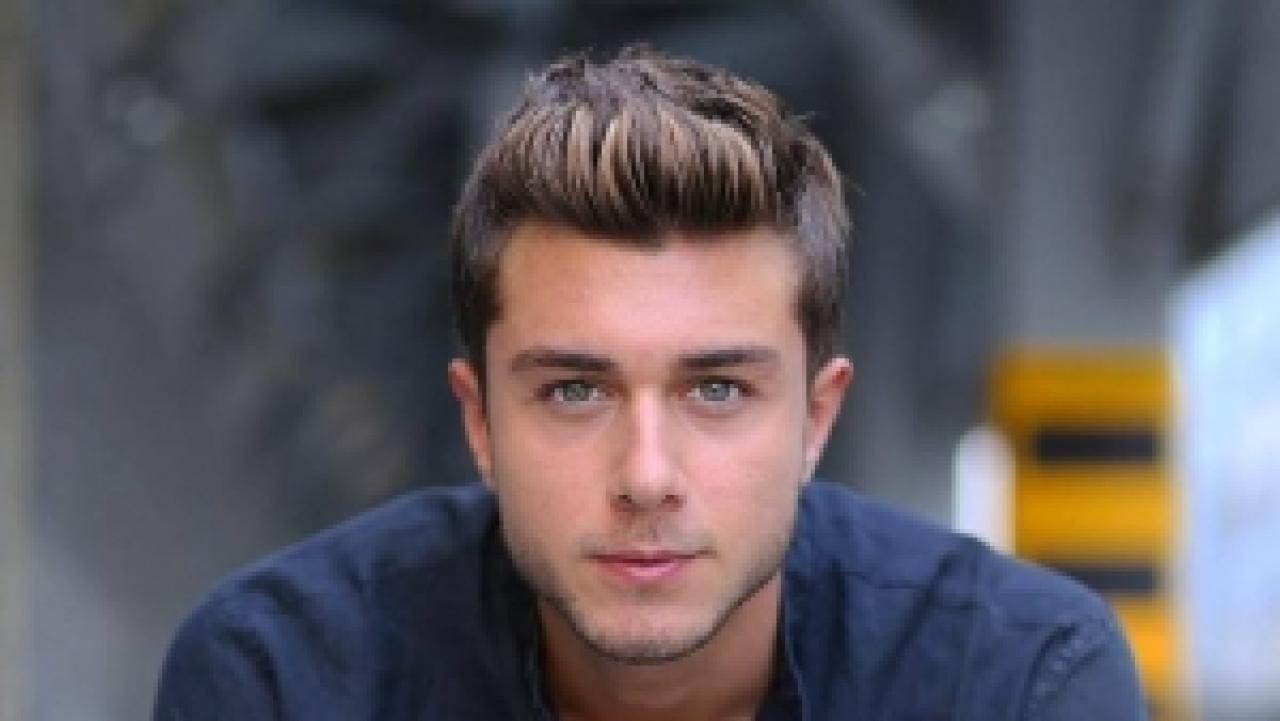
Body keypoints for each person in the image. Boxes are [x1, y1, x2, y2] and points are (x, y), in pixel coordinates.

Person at [153, 47, 1147, 720]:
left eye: (715, 390)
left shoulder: (1013, 682)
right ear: (479, 422)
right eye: (573, 391)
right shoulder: (283, 678)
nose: (645, 475)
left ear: (815, 418)